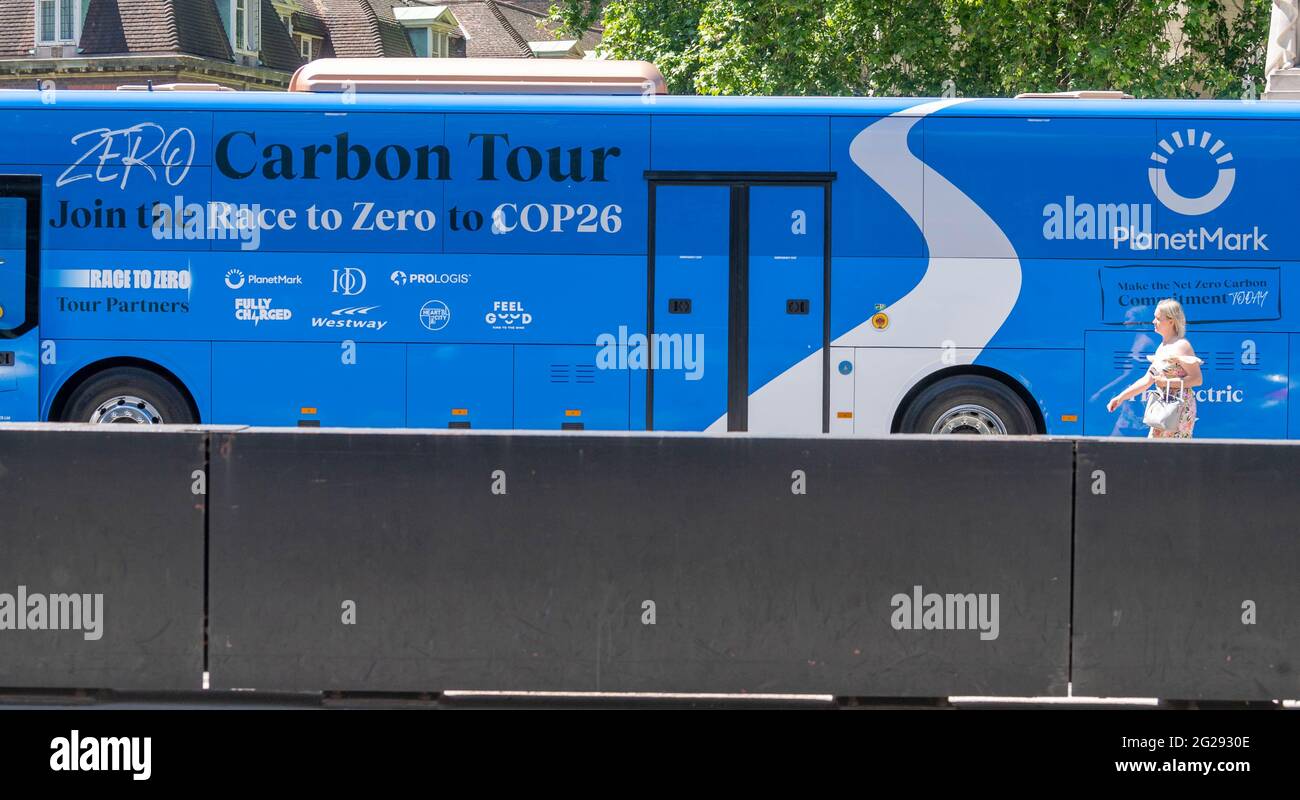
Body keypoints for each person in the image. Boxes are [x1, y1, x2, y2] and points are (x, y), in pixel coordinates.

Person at [1105, 298, 1203, 438]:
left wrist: (1166, 383)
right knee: (1158, 451)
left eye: (1158, 318)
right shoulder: (1162, 347)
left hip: (1178, 410)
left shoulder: (1182, 345)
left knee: (1171, 454)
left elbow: (1197, 379)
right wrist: (1120, 398)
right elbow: (1147, 380)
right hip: (1164, 409)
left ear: (1171, 321)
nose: (1153, 321)